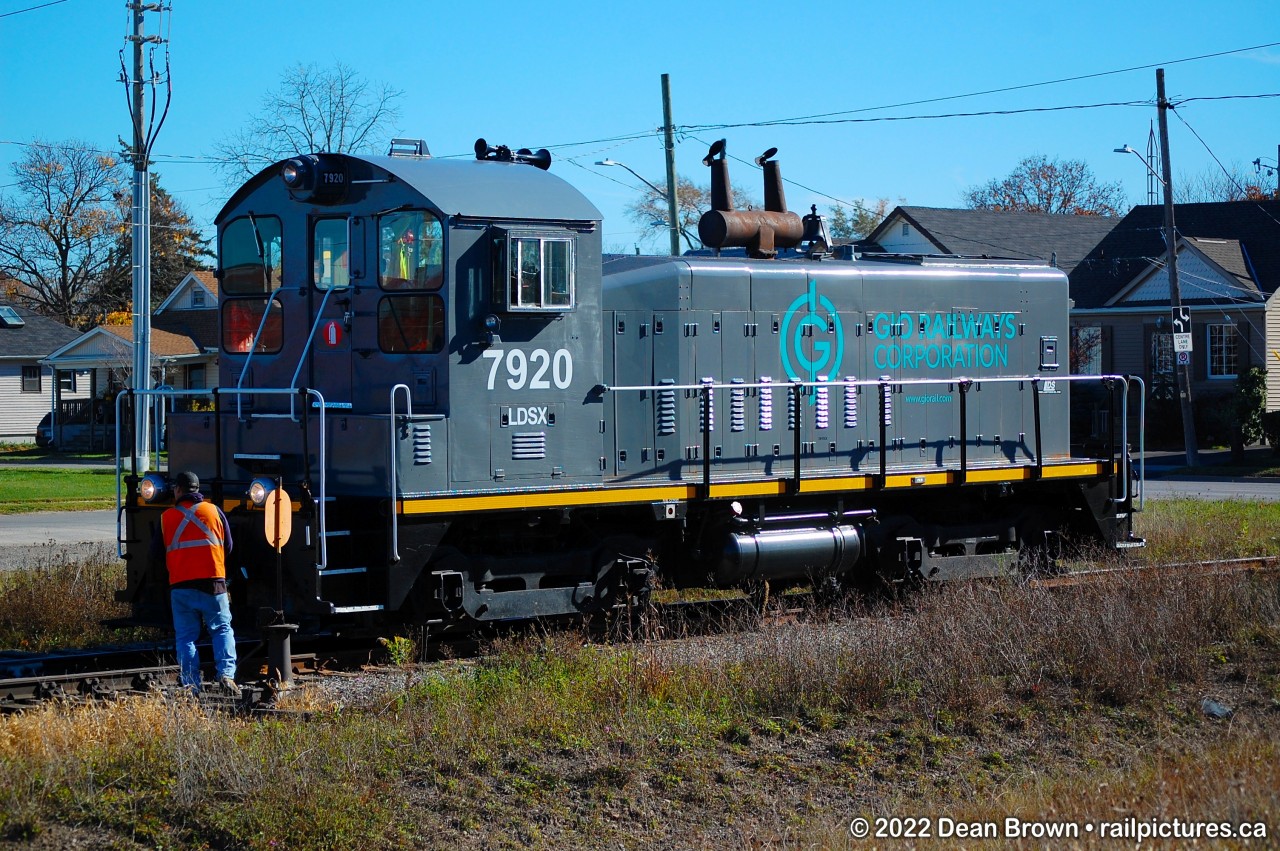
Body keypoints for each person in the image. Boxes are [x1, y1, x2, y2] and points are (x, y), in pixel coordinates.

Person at [154, 471, 238, 695]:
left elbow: (156, 554)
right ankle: (227, 675)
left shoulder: (166, 518)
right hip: (213, 583)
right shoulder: (214, 511)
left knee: (186, 637)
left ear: (178, 490)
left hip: (181, 585)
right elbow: (229, 546)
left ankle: (191, 685)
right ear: (198, 490)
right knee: (221, 629)